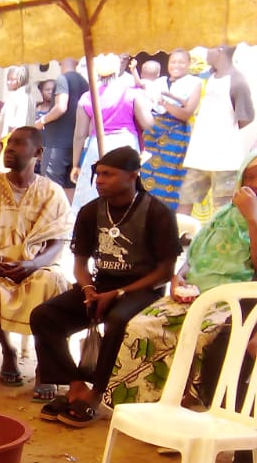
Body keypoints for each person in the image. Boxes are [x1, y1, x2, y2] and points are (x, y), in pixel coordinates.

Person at [30, 147, 180, 427]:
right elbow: (80, 263)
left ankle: (96, 394)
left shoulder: (157, 212)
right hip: (100, 285)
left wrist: (119, 293)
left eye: (108, 174)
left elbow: (165, 271)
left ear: (133, 176)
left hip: (142, 290)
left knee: (117, 319)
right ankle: (76, 386)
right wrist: (88, 289)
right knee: (45, 315)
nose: (99, 180)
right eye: (98, 174)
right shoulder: (91, 211)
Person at [105, 153, 257, 406]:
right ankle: (143, 405)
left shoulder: (250, 216)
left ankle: (188, 406)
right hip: (195, 292)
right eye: (249, 177)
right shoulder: (225, 214)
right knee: (141, 326)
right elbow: (198, 254)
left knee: (200, 336)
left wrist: (252, 218)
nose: (253, 184)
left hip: (233, 300)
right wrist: (180, 276)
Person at [0, 126, 70, 397]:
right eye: (9, 144)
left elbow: (57, 243)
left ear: (38, 153)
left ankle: (44, 366)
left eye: (19, 144)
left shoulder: (52, 192)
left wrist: (32, 265)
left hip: (36, 266)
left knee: (49, 283)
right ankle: (8, 350)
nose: (9, 149)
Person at [179, 46, 255, 220]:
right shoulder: (210, 78)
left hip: (224, 161)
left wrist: (223, 133)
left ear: (220, 50)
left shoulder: (237, 81)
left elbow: (246, 117)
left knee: (222, 210)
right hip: (198, 157)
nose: (206, 53)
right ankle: (179, 235)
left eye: (210, 49)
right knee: (185, 201)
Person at [134, 49, 202, 213]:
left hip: (175, 137)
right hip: (153, 134)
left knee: (171, 177)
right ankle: (144, 214)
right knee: (147, 173)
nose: (176, 65)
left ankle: (166, 217)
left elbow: (186, 113)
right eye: (173, 61)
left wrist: (165, 103)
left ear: (189, 64)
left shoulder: (194, 83)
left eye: (181, 62)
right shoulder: (160, 81)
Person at [70, 53, 140, 211]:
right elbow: (147, 122)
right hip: (125, 144)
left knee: (92, 192)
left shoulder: (88, 97)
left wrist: (75, 164)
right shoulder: (130, 93)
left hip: (97, 147)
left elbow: (80, 134)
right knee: (124, 188)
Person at [36, 58, 88, 198]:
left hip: (56, 145)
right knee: (70, 189)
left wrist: (41, 121)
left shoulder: (62, 79)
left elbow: (61, 107)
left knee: (50, 191)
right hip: (75, 146)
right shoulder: (84, 82)